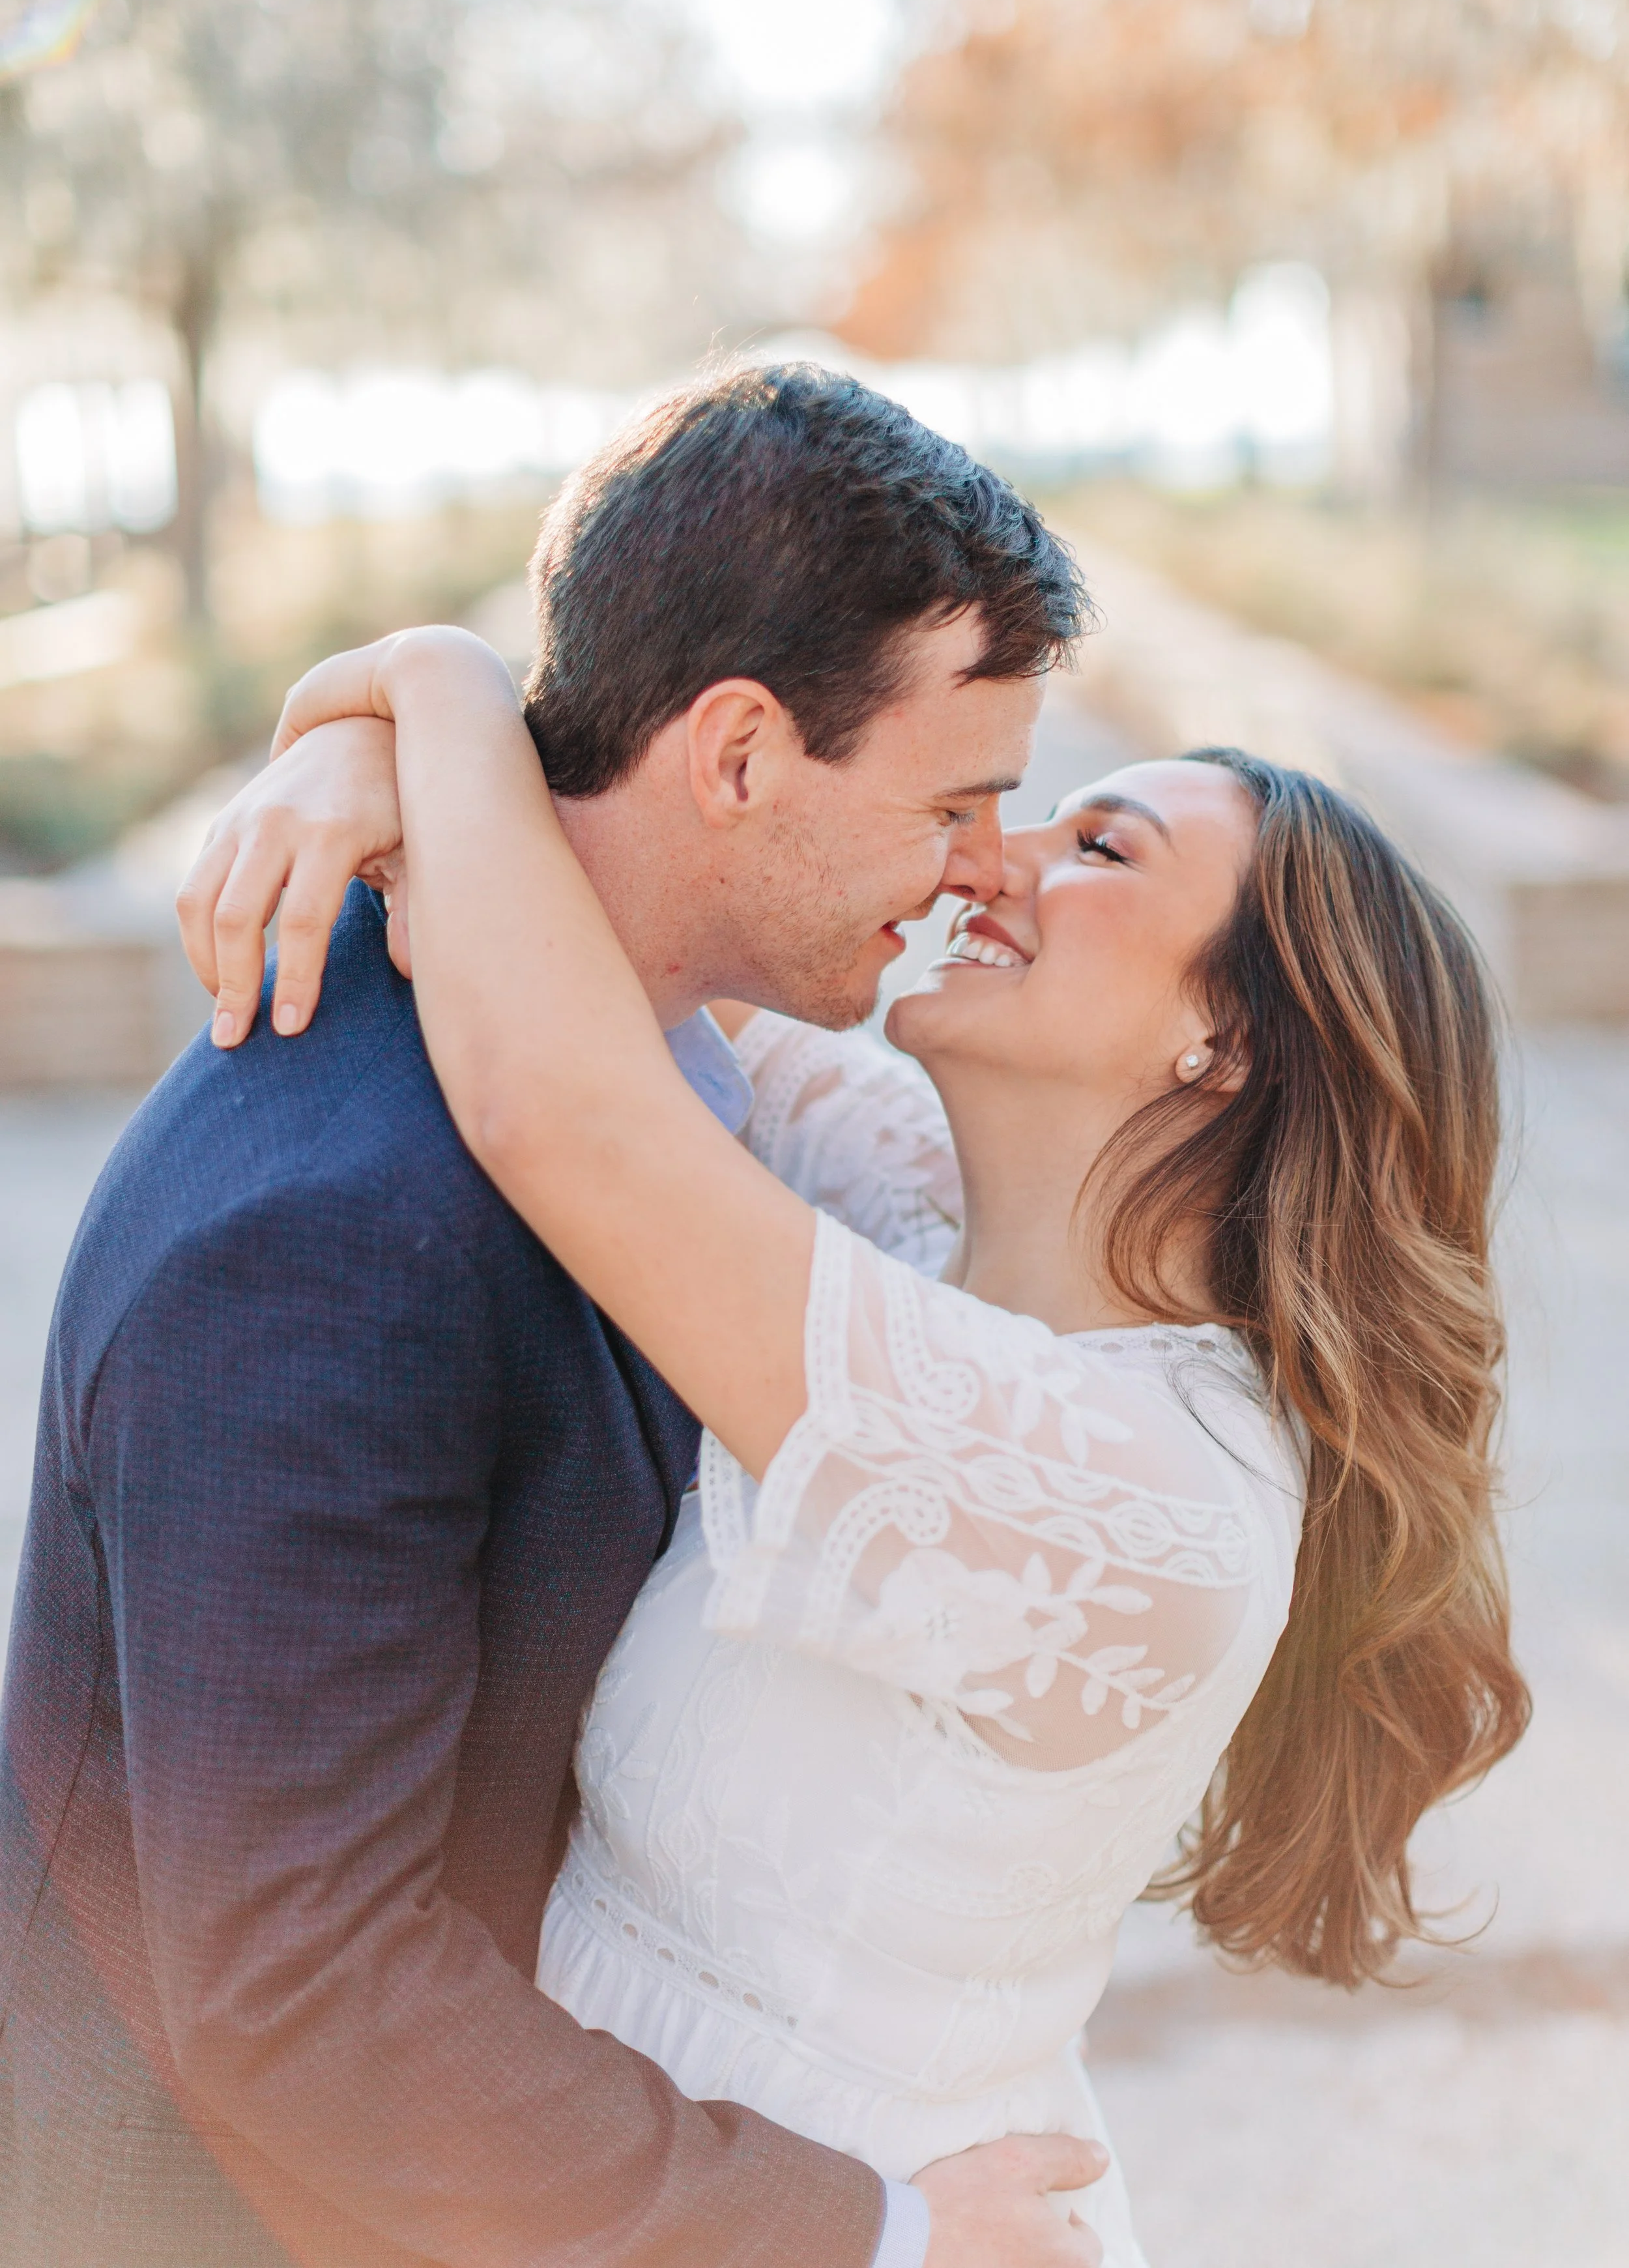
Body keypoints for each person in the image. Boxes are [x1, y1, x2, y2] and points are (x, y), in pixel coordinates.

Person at [180, 601, 1531, 2268]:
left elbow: (560, 1101)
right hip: (618, 2184)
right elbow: (639, 905)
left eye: (1096, 843)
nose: (987, 862)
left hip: (857, 2218)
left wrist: (436, 679)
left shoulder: (1134, 1500)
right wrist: (346, 756)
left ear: (1227, 1039)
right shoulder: (917, 1214)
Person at [0, 368, 1112, 2268]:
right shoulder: (332, 1228)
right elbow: (298, 1985)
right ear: (738, 751)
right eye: (952, 800)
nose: (982, 866)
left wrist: (397, 713)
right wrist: (875, 2234)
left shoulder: (654, 1057)